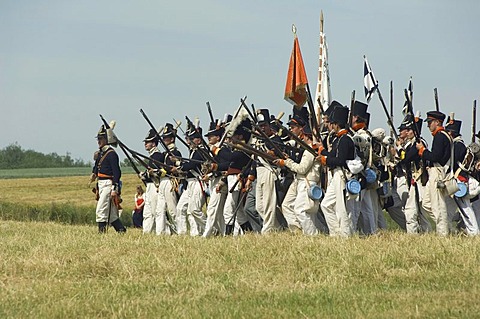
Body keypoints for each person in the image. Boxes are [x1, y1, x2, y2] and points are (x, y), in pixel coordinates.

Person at [317, 105, 355, 237]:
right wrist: (323, 152)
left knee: (341, 208)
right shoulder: (339, 139)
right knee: (326, 205)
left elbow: (340, 160)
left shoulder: (345, 139)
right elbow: (333, 155)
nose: (330, 126)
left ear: (337, 124)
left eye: (332, 123)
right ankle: (335, 233)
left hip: (342, 175)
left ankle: (345, 236)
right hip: (336, 175)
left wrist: (325, 160)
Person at [416, 110, 451, 236]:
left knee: (438, 206)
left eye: (430, 122)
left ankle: (443, 233)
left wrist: (422, 151)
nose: (428, 125)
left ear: (437, 122)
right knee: (426, 203)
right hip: (435, 172)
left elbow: (435, 156)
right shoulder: (442, 135)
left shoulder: (440, 136)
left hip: (438, 173)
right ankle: (445, 225)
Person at [91, 120, 126, 233]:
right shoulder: (101, 153)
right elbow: (97, 167)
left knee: (101, 210)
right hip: (101, 184)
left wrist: (114, 188)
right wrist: (94, 173)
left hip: (108, 184)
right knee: (112, 216)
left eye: (101, 139)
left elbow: (117, 173)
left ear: (106, 139)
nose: (98, 141)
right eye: (98, 139)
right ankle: (121, 231)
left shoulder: (111, 154)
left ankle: (102, 234)